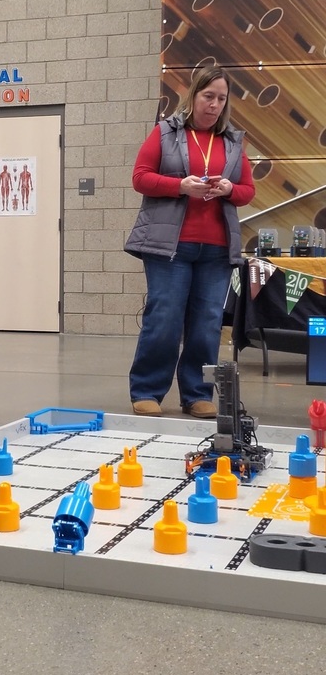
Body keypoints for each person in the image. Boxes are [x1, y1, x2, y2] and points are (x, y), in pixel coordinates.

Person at [125, 66, 255, 419]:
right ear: (194, 96)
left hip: (216, 249)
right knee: (164, 316)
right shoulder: (165, 133)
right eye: (208, 96)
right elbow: (140, 178)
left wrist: (229, 189)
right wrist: (180, 186)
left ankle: (197, 393)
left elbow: (247, 191)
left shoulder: (232, 141)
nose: (214, 104)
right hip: (170, 247)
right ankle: (148, 390)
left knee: (207, 322)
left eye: (221, 98)